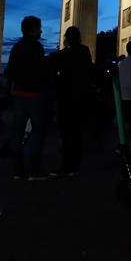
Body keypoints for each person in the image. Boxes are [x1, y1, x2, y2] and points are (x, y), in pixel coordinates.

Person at [6, 16, 50, 181]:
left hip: (19, 95)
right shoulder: (37, 47)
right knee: (37, 132)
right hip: (35, 96)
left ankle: (18, 170)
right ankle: (35, 170)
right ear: (33, 29)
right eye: (39, 28)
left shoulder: (16, 47)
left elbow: (10, 71)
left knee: (18, 133)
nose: (41, 31)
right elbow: (42, 71)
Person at [52, 26, 94, 176]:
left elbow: (55, 74)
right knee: (77, 133)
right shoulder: (85, 51)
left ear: (66, 38)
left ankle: (66, 165)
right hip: (80, 97)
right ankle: (75, 164)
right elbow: (89, 71)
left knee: (66, 133)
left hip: (65, 98)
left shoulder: (61, 55)